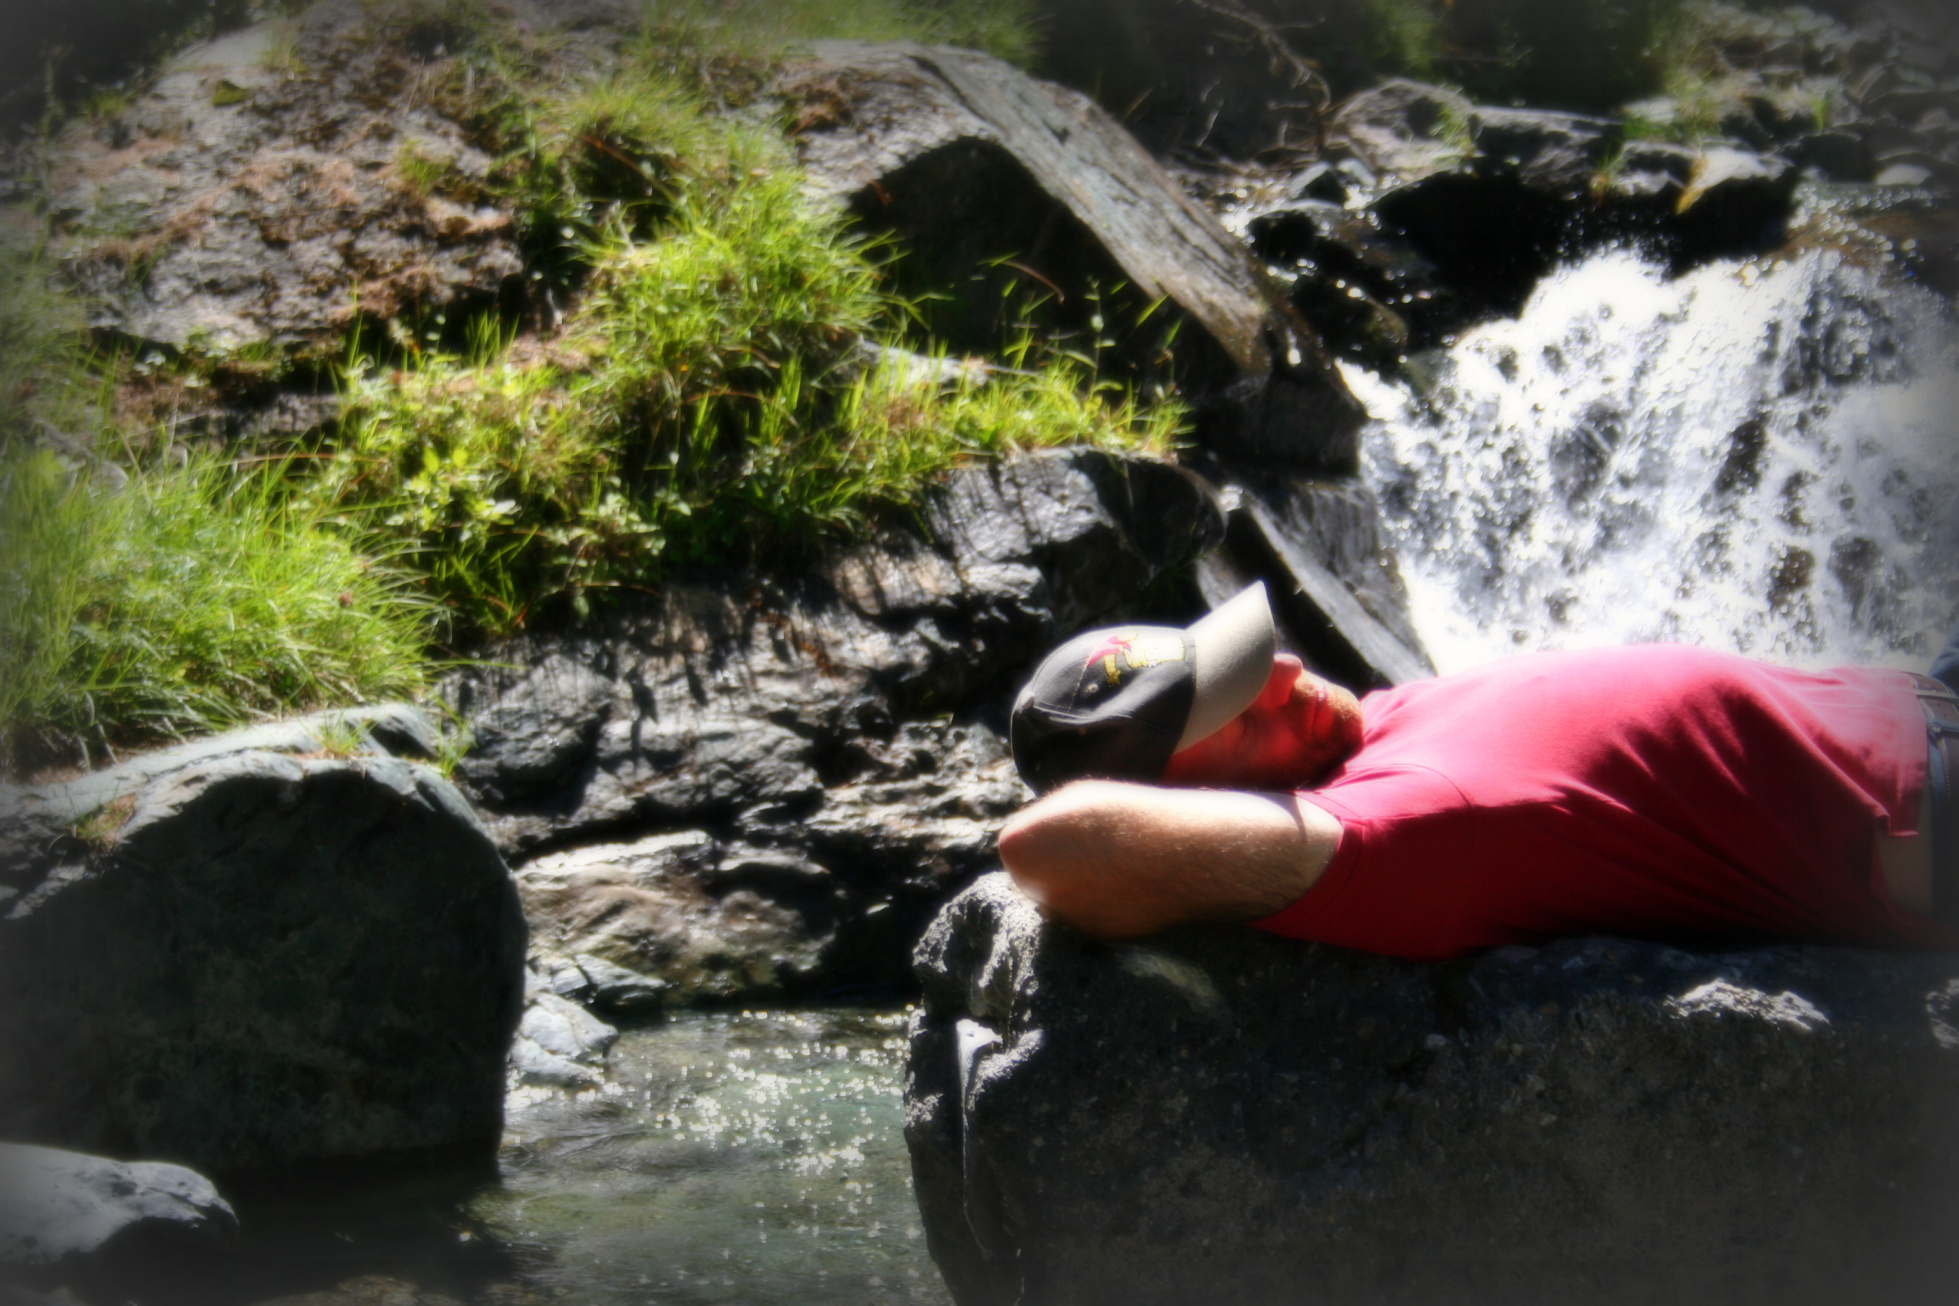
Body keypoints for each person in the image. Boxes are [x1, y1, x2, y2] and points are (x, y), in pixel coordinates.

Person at [999, 583, 1959, 958]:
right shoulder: (1403, 826)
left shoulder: (1361, 731)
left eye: (1246, 660)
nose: (1287, 673)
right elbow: (1052, 846)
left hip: (1917, 692)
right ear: (1204, 805)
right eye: (1240, 715)